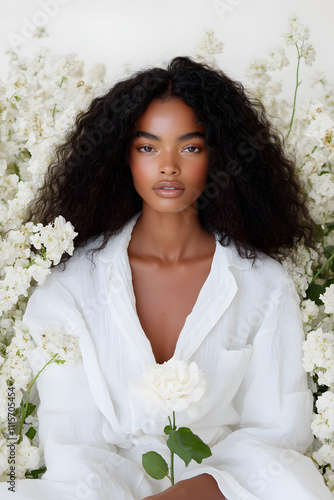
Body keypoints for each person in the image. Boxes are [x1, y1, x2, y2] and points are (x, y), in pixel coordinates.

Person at [1, 56, 332, 499]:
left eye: (190, 147)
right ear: (123, 156)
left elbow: (277, 433)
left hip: (224, 488)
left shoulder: (264, 284)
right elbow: (73, 445)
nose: (169, 166)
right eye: (148, 147)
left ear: (219, 156)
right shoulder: (67, 288)